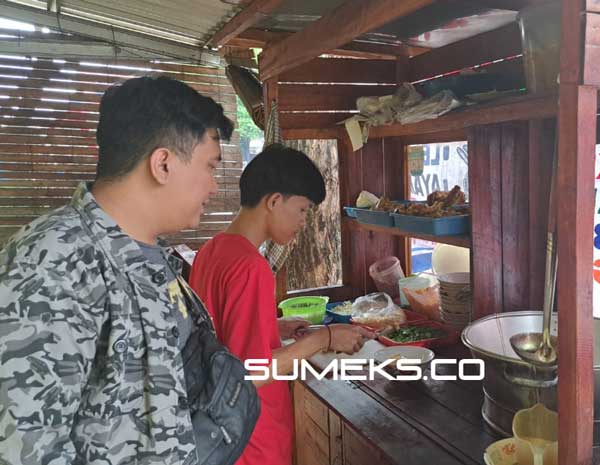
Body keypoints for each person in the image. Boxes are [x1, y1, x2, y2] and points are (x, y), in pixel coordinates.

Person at [0, 75, 243, 464]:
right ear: (163, 164)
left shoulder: (149, 255)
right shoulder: (52, 264)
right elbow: (25, 450)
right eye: (210, 167)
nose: (214, 186)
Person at [189, 144, 373, 465]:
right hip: (252, 436)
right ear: (274, 201)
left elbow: (218, 337)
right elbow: (250, 373)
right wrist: (325, 338)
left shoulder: (211, 250)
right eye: (302, 209)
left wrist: (272, 327)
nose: (303, 222)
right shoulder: (251, 267)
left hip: (220, 431)